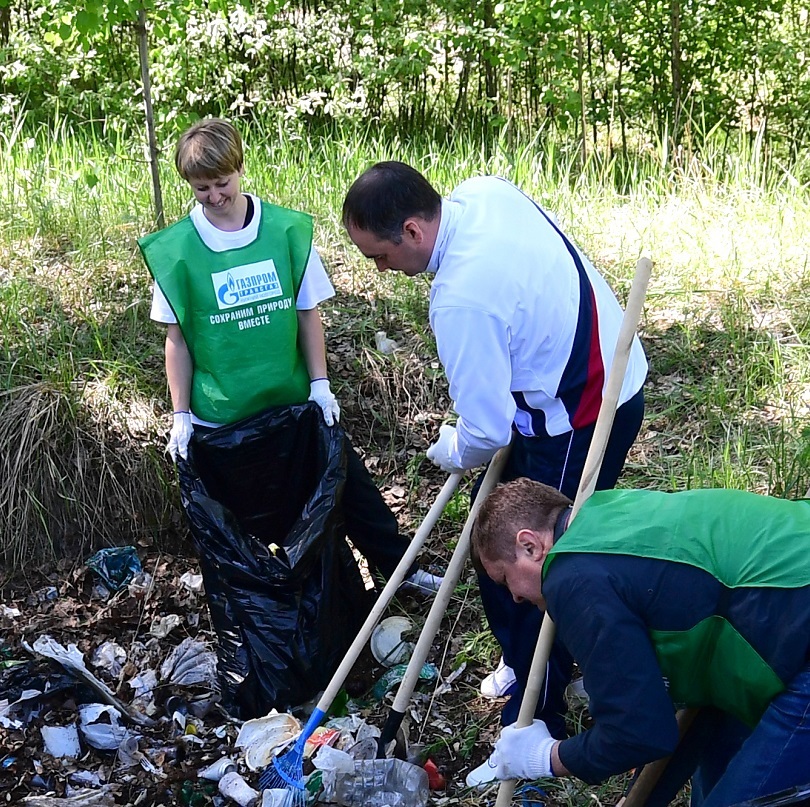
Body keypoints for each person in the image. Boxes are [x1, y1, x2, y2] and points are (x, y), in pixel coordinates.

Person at [342, 162, 648, 747]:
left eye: (379, 256)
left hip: (584, 409)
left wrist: (453, 447)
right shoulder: (483, 192)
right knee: (491, 536)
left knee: (533, 564)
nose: (382, 270)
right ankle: (521, 658)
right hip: (595, 375)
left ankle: (533, 719)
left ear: (412, 230)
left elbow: (486, 429)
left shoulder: (461, 299)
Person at [138, 120, 440, 595]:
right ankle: (278, 609)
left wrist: (320, 385)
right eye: (201, 188)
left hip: (294, 402)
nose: (214, 196)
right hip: (223, 418)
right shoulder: (177, 250)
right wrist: (180, 415)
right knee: (245, 528)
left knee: (351, 489)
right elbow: (177, 340)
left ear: (240, 168)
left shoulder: (284, 231)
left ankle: (402, 572)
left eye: (222, 183)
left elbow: (306, 313)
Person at [469, 477, 810, 807]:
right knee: (717, 778)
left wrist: (544, 757)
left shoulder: (573, 579)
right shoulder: (609, 513)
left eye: (504, 578)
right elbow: (672, 718)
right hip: (783, 613)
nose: (514, 597)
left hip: (799, 629)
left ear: (530, 545)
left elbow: (636, 732)